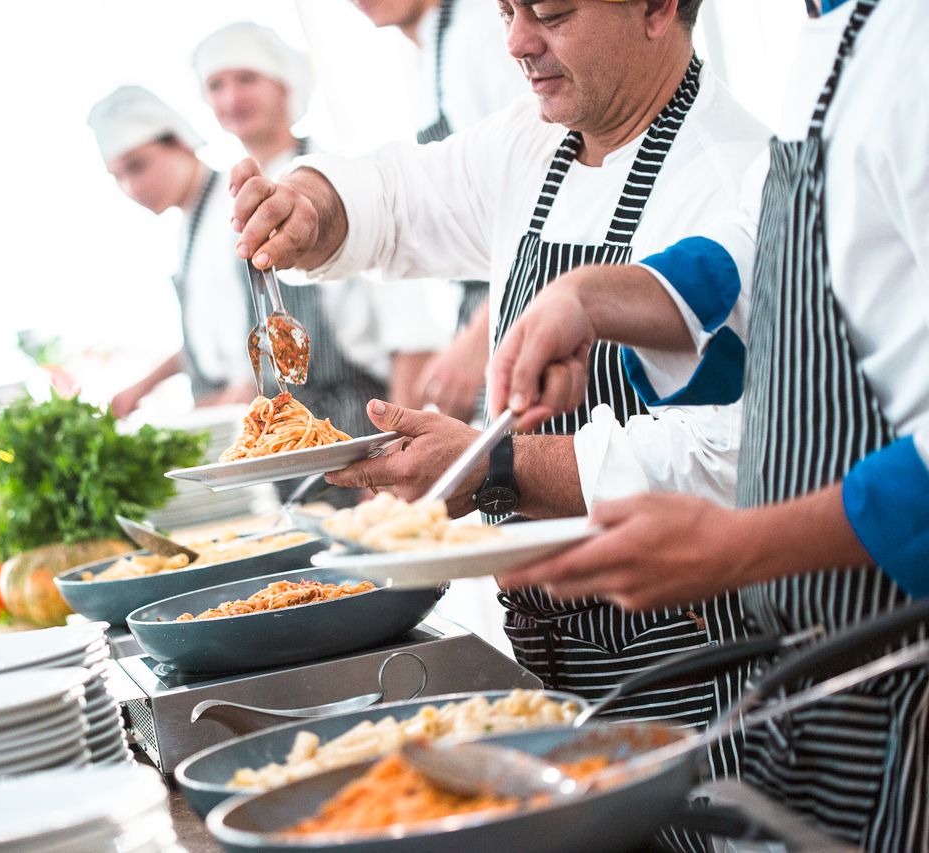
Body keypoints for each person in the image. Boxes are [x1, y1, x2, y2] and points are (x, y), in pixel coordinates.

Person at [229, 0, 768, 773]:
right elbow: (398, 193)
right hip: (551, 655)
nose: (516, 41)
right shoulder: (533, 141)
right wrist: (310, 206)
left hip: (696, 663)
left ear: (655, 7)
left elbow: (734, 462)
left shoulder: (736, 178)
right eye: (507, 9)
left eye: (551, 12)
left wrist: (498, 466)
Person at [489, 1, 928, 848]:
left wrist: (742, 546)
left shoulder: (913, 45)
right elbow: (756, 242)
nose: (516, 38)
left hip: (900, 661)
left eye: (549, 11)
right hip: (829, 669)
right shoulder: (831, 33)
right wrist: (589, 298)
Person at [192, 21, 451, 432]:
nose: (231, 97)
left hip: (358, 422)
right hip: (274, 433)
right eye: (216, 85)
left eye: (247, 79)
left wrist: (398, 441)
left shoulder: (341, 183)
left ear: (285, 85)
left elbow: (410, 332)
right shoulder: (214, 215)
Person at [350, 0, 529, 421]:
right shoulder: (429, 56)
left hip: (528, 304)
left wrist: (479, 339)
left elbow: (552, 193)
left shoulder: (484, 34)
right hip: (493, 309)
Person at [87, 86, 258, 417]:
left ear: (180, 142)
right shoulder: (189, 227)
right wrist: (142, 386)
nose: (131, 188)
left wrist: (241, 393)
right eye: (118, 176)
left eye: (137, 166)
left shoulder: (236, 204)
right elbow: (206, 337)